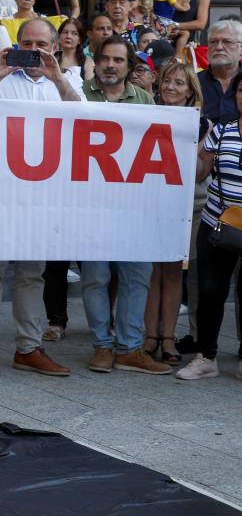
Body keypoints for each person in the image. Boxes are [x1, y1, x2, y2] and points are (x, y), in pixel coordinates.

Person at [0, 19, 75, 380]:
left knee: (32, 272)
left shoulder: (66, 81)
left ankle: (28, 347)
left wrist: (58, 77)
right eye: (26, 43)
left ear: (55, 46)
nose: (33, 51)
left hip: (42, 193)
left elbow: (89, 119)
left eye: (41, 44)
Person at [77, 36, 172, 374]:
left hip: (134, 207)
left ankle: (129, 349)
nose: (110, 65)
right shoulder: (79, 95)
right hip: (90, 206)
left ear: (129, 67)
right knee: (95, 277)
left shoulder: (145, 100)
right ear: (96, 61)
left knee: (138, 274)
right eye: (105, 59)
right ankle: (102, 346)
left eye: (118, 60)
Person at [178, 68, 242, 382]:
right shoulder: (222, 129)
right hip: (217, 223)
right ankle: (207, 357)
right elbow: (202, 171)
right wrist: (196, 148)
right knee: (209, 290)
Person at [143, 61, 204, 366]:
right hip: (151, 203)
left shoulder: (201, 125)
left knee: (173, 273)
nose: (171, 87)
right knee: (152, 272)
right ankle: (148, 335)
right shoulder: (146, 116)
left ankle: (168, 337)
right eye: (167, 81)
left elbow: (200, 172)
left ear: (191, 91)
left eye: (179, 83)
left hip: (185, 207)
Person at [198, 19, 242, 126]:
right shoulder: (194, 82)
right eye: (213, 42)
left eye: (227, 42)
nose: (219, 47)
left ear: (241, 49)